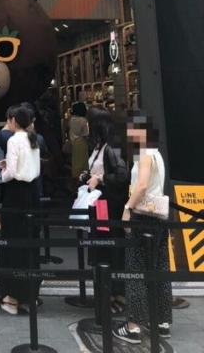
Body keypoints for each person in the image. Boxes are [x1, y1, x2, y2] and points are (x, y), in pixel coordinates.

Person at [114, 113, 173, 345]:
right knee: (159, 267)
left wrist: (127, 207)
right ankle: (162, 321)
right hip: (159, 217)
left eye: (131, 130)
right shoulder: (157, 153)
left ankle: (134, 326)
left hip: (142, 217)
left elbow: (141, 185)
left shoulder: (145, 154)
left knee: (135, 269)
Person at [82, 111, 129, 314]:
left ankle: (114, 295)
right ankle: (108, 295)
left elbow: (122, 175)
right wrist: (88, 176)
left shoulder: (111, 147)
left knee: (107, 245)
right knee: (101, 245)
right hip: (100, 203)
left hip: (108, 205)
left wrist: (100, 179)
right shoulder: (100, 146)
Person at [0, 106, 41, 315]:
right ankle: (29, 296)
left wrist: (3, 171)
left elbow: (11, 173)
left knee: (12, 244)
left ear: (14, 120)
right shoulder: (34, 139)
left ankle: (11, 297)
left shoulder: (13, 140)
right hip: (32, 194)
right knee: (30, 244)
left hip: (15, 195)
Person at [69, 101, 89, 183]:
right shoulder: (83, 120)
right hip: (82, 142)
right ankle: (83, 179)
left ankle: (76, 179)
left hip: (74, 142)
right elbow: (86, 134)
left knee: (76, 162)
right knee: (83, 162)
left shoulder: (72, 119)